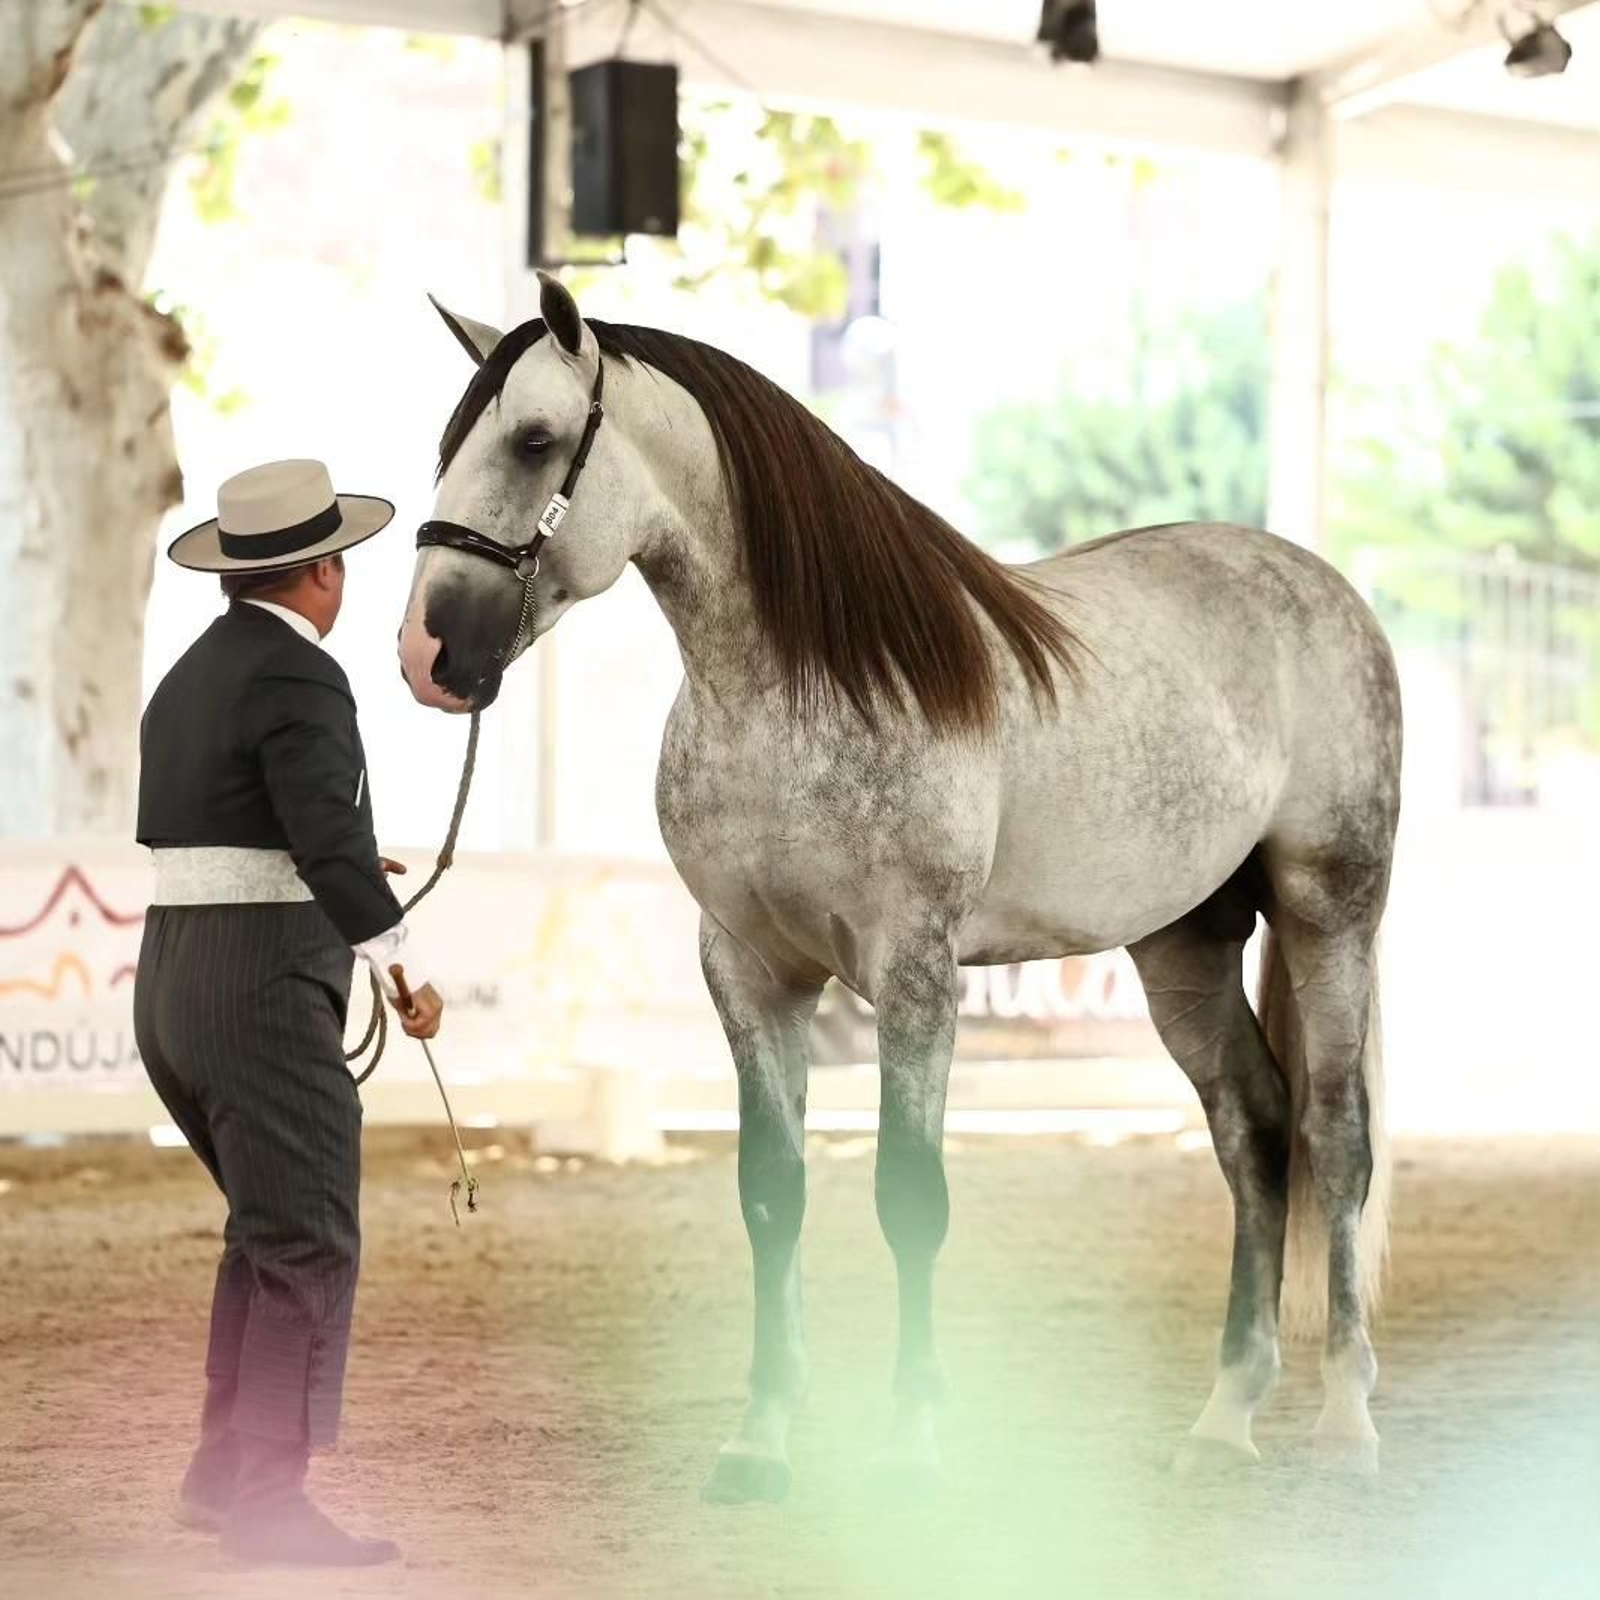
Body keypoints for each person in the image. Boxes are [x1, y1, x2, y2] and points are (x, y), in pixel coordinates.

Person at [133, 459, 442, 1567]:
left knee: (266, 1231)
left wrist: (338, 864)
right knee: (309, 1233)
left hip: (174, 978)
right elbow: (320, 839)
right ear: (322, 571)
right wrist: (400, 964)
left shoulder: (191, 674)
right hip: (259, 983)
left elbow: (236, 829)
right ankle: (266, 1495)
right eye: (341, 562)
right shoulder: (302, 681)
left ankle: (224, 1472)